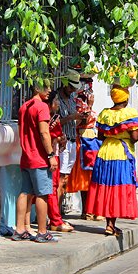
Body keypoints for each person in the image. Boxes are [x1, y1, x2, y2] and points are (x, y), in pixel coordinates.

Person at [86, 85, 138, 236]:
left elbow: (100, 137)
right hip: (121, 153)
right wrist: (123, 137)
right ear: (126, 98)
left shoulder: (105, 114)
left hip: (105, 151)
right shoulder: (129, 113)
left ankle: (109, 224)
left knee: (106, 185)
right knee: (117, 187)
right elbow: (135, 137)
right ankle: (111, 225)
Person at [12, 80, 58, 243]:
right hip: (39, 157)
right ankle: (42, 232)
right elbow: (44, 133)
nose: (49, 90)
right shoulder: (42, 107)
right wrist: (50, 154)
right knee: (42, 194)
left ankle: (19, 229)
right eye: (46, 87)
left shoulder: (24, 107)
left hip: (26, 156)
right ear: (37, 88)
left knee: (25, 192)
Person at [67, 87, 101, 220]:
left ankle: (92, 209)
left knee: (92, 178)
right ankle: (87, 210)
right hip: (83, 142)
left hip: (92, 142)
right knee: (85, 178)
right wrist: (90, 106)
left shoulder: (83, 103)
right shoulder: (77, 103)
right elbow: (83, 121)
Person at [45, 91, 75, 232]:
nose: (58, 103)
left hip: (56, 153)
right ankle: (55, 220)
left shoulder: (54, 118)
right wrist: (57, 139)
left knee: (55, 185)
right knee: (52, 188)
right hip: (50, 155)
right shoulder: (47, 119)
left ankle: (55, 218)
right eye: (55, 100)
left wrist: (61, 139)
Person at [57, 69, 84, 214]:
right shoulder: (56, 99)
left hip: (73, 140)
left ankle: (58, 212)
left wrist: (79, 118)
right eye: (71, 86)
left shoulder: (72, 98)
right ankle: (55, 213)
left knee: (66, 178)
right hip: (63, 142)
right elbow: (53, 122)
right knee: (60, 178)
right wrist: (70, 117)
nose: (73, 89)